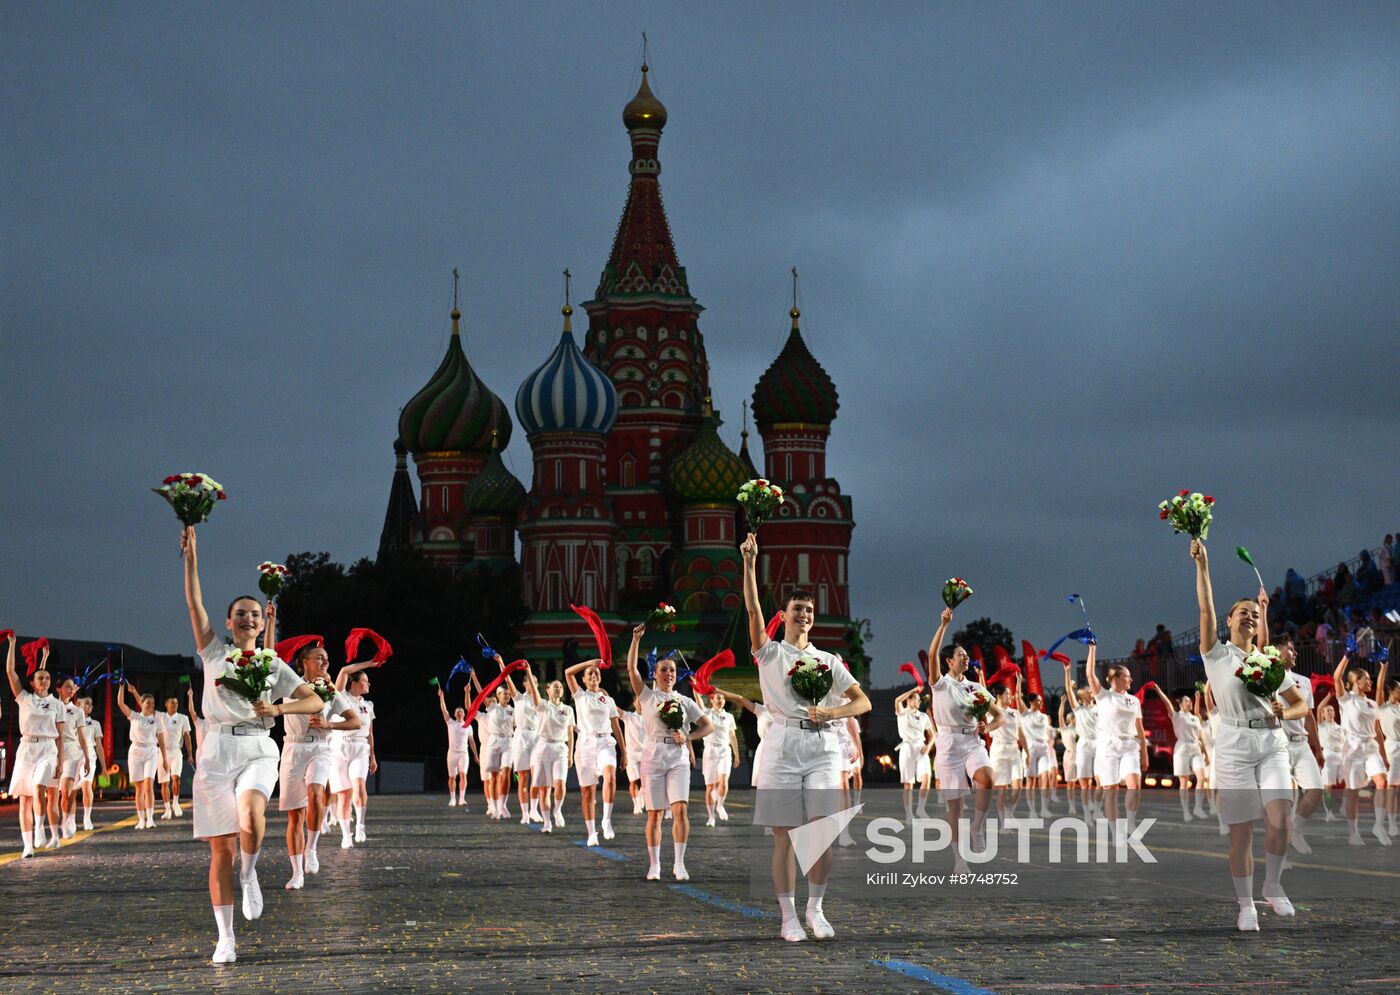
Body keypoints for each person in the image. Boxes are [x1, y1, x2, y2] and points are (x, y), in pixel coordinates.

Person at [181, 525, 323, 964]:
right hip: (216, 752)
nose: (247, 619)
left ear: (263, 623)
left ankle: (251, 872)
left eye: (254, 615)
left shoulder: (272, 663)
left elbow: (313, 698)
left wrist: (278, 711)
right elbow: (194, 603)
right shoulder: (213, 653)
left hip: (259, 748)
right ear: (229, 622)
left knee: (251, 815)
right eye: (240, 614)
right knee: (220, 850)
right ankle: (226, 938)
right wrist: (191, 558)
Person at [742, 534, 870, 940]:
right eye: (797, 609)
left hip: (821, 746)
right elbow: (751, 608)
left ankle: (816, 908)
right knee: (784, 836)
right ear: (785, 614)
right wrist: (749, 564)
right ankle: (788, 917)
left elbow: (863, 702)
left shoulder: (828, 660)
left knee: (820, 830)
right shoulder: (770, 653)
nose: (804, 615)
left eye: (809, 610)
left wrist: (833, 711)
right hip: (781, 745)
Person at [1191, 538, 1309, 931]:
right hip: (1234, 745)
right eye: (1241, 613)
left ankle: (1273, 885)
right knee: (1241, 832)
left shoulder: (1266, 660)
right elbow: (1205, 605)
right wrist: (1203, 564)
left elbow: (1299, 705)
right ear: (1228, 621)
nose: (1248, 618)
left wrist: (1284, 709)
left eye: (1253, 615)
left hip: (1272, 742)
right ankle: (1247, 906)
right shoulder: (1216, 654)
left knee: (1281, 818)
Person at [625, 624, 712, 881]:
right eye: (664, 669)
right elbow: (631, 669)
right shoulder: (647, 696)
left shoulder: (685, 702)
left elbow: (708, 726)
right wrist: (636, 640)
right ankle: (654, 865)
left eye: (672, 670)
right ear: (655, 672)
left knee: (680, 810)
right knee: (655, 813)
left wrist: (689, 737)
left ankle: (679, 863)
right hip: (653, 753)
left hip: (677, 757)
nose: (669, 673)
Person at [278, 641, 361, 889]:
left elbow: (355, 721)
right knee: (295, 815)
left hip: (320, 748)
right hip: (293, 748)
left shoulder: (330, 691)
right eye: (319, 658)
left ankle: (311, 848)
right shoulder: (288, 684)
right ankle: (296, 872)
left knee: (315, 793)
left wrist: (329, 725)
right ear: (304, 661)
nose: (325, 662)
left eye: (326, 658)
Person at [927, 606, 1003, 874]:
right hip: (948, 744)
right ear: (949, 661)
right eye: (961, 655)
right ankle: (960, 859)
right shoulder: (940, 683)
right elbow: (932, 653)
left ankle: (977, 828)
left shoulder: (976, 687)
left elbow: (1000, 716)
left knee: (987, 779)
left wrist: (987, 727)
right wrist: (944, 624)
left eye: (967, 655)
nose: (966, 658)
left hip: (972, 741)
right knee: (955, 806)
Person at [1266, 630, 1325, 853]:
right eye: (1290, 648)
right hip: (1277, 745)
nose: (1294, 652)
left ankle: (1297, 829)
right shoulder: (1266, 677)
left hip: (1301, 743)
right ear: (1277, 650)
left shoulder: (1304, 682)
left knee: (1316, 789)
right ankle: (1280, 852)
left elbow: (1309, 716)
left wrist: (1317, 748)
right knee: (1282, 805)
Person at [6, 635, 65, 856]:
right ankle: (28, 845)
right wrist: (12, 645)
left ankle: (40, 828)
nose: (44, 681)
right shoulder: (24, 698)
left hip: (48, 749)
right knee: (25, 799)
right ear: (32, 682)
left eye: (47, 678)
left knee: (40, 786)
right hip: (27, 749)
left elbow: (59, 735)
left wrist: (60, 761)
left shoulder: (57, 705)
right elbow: (11, 672)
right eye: (40, 678)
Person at [1083, 645, 1147, 836]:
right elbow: (1089, 673)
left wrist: (1144, 753)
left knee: (1135, 786)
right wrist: (1092, 649)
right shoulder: (1103, 696)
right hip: (1108, 746)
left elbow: (1140, 729)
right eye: (1127, 676)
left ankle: (1130, 822)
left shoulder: (1134, 701)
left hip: (1130, 745)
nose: (1131, 679)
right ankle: (1114, 832)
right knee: (1111, 790)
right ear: (1116, 679)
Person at [1331, 649, 1390, 846]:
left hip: (1370, 747)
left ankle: (1378, 825)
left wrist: (1384, 667)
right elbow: (1337, 676)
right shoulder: (1346, 699)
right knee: (1353, 791)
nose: (1370, 682)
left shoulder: (1371, 703)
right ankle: (1353, 833)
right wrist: (1346, 655)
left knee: (1382, 782)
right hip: (1352, 749)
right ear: (1356, 681)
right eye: (1366, 679)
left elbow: (1378, 731)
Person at [565, 658, 625, 844]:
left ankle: (606, 820)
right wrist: (590, 663)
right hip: (585, 743)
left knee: (610, 776)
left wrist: (624, 751)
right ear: (583, 679)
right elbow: (568, 672)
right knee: (588, 792)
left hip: (606, 741)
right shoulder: (580, 696)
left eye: (596, 673)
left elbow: (616, 725)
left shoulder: (608, 700)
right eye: (589, 673)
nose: (593, 675)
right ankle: (592, 832)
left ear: (600, 678)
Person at [331, 660, 379, 847]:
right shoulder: (342, 697)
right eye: (365, 680)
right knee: (343, 794)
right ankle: (346, 835)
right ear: (355, 683)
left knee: (359, 786)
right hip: (340, 747)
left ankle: (360, 825)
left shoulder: (369, 705)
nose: (368, 684)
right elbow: (343, 670)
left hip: (360, 748)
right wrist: (370, 664)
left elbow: (371, 733)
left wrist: (373, 756)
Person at [524, 667, 574, 833]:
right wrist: (529, 672)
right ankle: (546, 822)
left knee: (560, 784)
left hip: (560, 748)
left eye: (560, 686)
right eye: (555, 686)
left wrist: (571, 754)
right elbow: (534, 693)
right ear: (548, 690)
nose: (559, 688)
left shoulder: (568, 709)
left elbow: (570, 732)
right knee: (544, 788)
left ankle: (557, 810)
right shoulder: (543, 706)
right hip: (543, 748)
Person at [1151, 685, 1208, 821]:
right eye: (1186, 701)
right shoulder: (1177, 716)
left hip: (1195, 748)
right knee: (1184, 782)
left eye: (1190, 701)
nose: (1189, 702)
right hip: (1182, 748)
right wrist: (1159, 691)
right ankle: (1186, 811)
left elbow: (1200, 736)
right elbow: (1167, 703)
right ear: (1181, 704)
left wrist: (1205, 752)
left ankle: (1198, 808)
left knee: (1201, 777)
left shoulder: (1195, 718)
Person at [117, 682, 167, 830]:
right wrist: (121, 686)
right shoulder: (134, 717)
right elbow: (120, 703)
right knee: (138, 788)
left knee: (148, 785)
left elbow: (162, 742)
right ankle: (141, 819)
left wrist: (165, 760)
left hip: (151, 752)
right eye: (148, 703)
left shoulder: (157, 721)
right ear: (141, 703)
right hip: (135, 753)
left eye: (153, 703)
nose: (151, 705)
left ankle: (150, 818)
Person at [988, 678, 1028, 829]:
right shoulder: (991, 710)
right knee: (1002, 789)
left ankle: (1009, 813)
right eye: (1007, 694)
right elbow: (984, 694)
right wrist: (980, 676)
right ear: (998, 696)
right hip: (998, 751)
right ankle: (1004, 823)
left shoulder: (1014, 713)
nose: (1010, 697)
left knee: (1018, 786)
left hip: (1014, 750)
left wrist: (1028, 752)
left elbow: (1021, 733)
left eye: (1011, 695)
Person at [696, 689, 739, 827]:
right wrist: (695, 690)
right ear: (712, 700)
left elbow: (732, 736)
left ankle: (720, 805)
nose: (720, 700)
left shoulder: (729, 717)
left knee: (724, 780)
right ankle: (711, 816)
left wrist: (736, 754)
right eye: (718, 698)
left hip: (724, 750)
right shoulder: (708, 713)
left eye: (722, 698)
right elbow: (699, 705)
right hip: (710, 751)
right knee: (710, 787)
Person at [55, 676, 90, 839]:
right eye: (67, 687)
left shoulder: (77, 711)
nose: (70, 689)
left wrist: (88, 758)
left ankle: (66, 819)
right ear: (58, 689)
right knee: (54, 793)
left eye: (72, 687)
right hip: (51, 750)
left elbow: (82, 737)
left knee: (67, 792)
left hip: (71, 750)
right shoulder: (52, 706)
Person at [894, 687, 932, 822]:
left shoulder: (924, 716)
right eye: (917, 698)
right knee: (908, 783)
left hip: (921, 747)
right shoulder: (902, 713)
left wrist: (928, 746)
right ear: (909, 700)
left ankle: (921, 808)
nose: (919, 701)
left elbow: (933, 734)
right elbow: (897, 700)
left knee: (927, 778)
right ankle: (909, 815)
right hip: (907, 747)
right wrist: (913, 690)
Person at [438, 686, 478, 809]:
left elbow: (472, 742)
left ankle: (461, 798)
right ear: (455, 714)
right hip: (452, 753)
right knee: (452, 777)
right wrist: (442, 697)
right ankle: (452, 798)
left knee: (463, 775)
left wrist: (476, 755)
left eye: (461, 712)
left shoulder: (468, 726)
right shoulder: (451, 723)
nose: (460, 713)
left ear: (464, 714)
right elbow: (444, 711)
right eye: (457, 712)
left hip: (463, 754)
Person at [478, 684, 514, 819]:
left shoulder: (512, 710)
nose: (507, 696)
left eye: (508, 694)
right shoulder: (492, 708)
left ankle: (502, 805)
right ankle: (493, 806)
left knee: (506, 774)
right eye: (504, 693)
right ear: (498, 695)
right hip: (494, 742)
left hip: (508, 742)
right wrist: (474, 676)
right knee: (493, 777)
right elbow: (481, 693)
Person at [157, 696, 194, 820]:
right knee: (164, 782)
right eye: (172, 703)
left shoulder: (183, 718)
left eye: (176, 703)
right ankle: (167, 809)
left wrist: (190, 754)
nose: (175, 705)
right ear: (166, 704)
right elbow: (144, 705)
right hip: (163, 753)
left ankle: (175, 802)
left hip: (176, 752)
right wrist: (134, 692)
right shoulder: (160, 716)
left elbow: (187, 736)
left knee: (176, 778)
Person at [1021, 691, 1055, 818]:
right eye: (1037, 700)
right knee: (1031, 780)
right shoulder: (1025, 714)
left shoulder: (1045, 717)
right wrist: (1018, 684)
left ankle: (1044, 808)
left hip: (1043, 747)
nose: (1040, 703)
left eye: (1041, 701)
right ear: (1031, 702)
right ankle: (1032, 811)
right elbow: (1019, 700)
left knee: (1045, 776)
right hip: (1030, 747)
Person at [1378, 675, 1400, 837]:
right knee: (1392, 787)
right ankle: (1391, 823)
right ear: (1391, 691)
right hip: (1392, 748)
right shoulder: (1383, 708)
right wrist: (1383, 667)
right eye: (1399, 688)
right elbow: (1378, 689)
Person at [78, 696, 103, 830]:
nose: (89, 706)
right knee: (68, 791)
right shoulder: (70, 718)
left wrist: (104, 767)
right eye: (86, 703)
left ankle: (87, 817)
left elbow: (99, 746)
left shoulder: (95, 724)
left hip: (90, 757)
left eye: (91, 704)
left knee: (86, 787)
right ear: (78, 704)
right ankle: (68, 819)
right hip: (73, 755)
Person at [1057, 697, 1078, 814]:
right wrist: (1062, 703)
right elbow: (1060, 716)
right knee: (1071, 783)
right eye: (1074, 717)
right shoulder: (1065, 729)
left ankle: (1088, 803)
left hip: (1080, 755)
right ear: (1070, 719)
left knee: (1087, 780)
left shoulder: (1081, 729)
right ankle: (1072, 805)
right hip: (1069, 756)